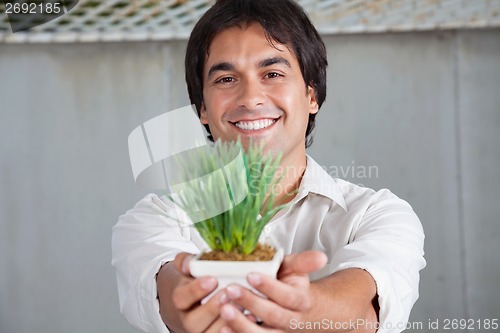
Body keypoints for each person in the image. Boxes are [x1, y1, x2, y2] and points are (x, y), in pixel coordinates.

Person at [112, 0, 426, 332]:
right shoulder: (154, 220)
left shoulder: (377, 215)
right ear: (202, 109)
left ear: (311, 96)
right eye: (226, 79)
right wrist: (197, 302)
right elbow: (172, 296)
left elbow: (362, 311)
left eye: (272, 73)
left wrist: (299, 307)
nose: (250, 98)